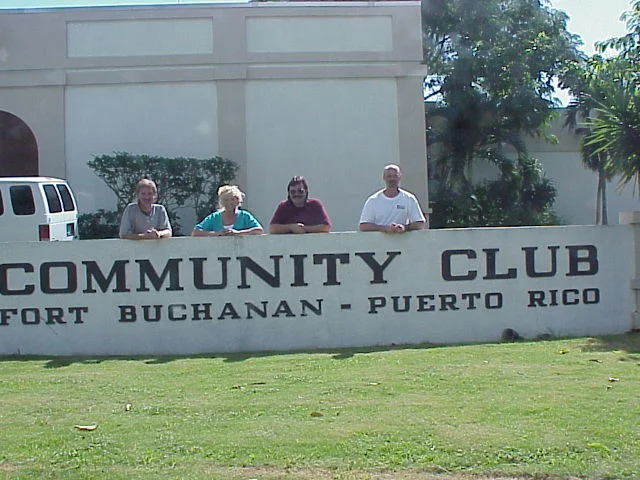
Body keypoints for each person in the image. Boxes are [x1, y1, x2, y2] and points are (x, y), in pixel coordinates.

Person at [359, 164, 426, 233]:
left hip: (402, 242)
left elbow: (420, 224)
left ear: (400, 177)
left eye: (395, 176)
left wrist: (404, 227)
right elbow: (363, 226)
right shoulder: (373, 200)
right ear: (384, 178)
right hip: (378, 243)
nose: (392, 179)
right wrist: (385, 229)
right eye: (389, 176)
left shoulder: (409, 198)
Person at [192, 185, 263, 236]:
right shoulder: (214, 217)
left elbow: (259, 230)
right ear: (222, 202)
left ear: (238, 201)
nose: (229, 203)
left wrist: (238, 233)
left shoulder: (245, 216)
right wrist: (217, 234)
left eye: (232, 199)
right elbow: (196, 232)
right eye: (226, 200)